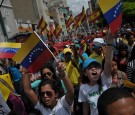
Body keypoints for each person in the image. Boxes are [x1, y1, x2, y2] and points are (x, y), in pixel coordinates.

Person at [78, 31, 114, 115]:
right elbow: (86, 106)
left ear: (101, 70)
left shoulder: (104, 79)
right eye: (90, 68)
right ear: (85, 73)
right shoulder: (83, 88)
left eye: (96, 66)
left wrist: (109, 43)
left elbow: (108, 61)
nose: (94, 69)